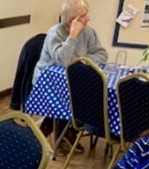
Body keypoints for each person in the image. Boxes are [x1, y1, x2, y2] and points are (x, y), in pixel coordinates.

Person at [32, 0, 108, 155]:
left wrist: (83, 61)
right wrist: (73, 35)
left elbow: (102, 54)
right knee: (76, 98)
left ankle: (64, 130)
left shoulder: (89, 32)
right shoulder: (56, 33)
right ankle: (63, 132)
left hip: (74, 80)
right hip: (48, 82)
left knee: (92, 94)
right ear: (71, 21)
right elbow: (64, 60)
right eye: (84, 15)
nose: (89, 18)